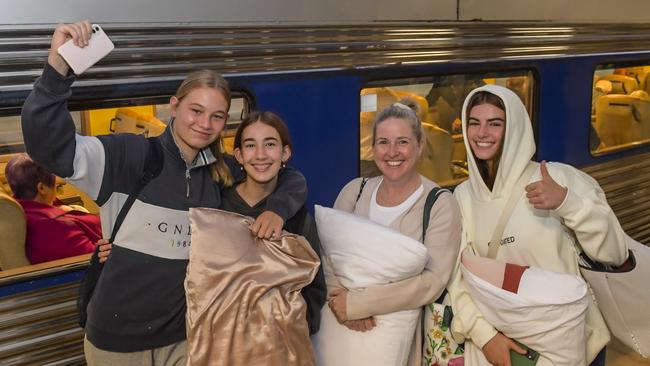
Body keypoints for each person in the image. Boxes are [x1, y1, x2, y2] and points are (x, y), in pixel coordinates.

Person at [21, 21, 307, 365]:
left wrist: (276, 208)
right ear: (174, 107)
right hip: (117, 341)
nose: (205, 124)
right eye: (196, 111)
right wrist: (57, 67)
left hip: (184, 338)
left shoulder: (221, 172)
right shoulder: (127, 157)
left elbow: (290, 178)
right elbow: (49, 147)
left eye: (217, 116)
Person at [448, 84, 629, 366]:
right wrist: (485, 337)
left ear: (516, 128)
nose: (482, 133)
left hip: (568, 342)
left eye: (495, 123)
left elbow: (615, 254)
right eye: (474, 123)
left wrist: (566, 203)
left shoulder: (558, 178)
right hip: (505, 345)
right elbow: (456, 277)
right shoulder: (463, 197)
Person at [325, 102, 462, 365]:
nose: (392, 152)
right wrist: (339, 302)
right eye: (383, 142)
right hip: (342, 330)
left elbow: (432, 281)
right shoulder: (355, 191)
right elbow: (327, 253)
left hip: (402, 341)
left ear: (420, 145)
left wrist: (358, 305)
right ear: (373, 147)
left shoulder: (439, 204)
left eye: (402, 142)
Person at [219, 111, 326, 335]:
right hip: (223, 337)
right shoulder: (218, 206)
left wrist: (291, 326)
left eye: (270, 144)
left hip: (279, 341)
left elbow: (314, 289)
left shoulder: (297, 219)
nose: (260, 155)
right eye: (250, 145)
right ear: (238, 155)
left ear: (285, 153)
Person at [4, 153, 102, 264]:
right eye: (54, 182)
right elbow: (95, 257)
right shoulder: (54, 226)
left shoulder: (21, 208)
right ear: (42, 188)